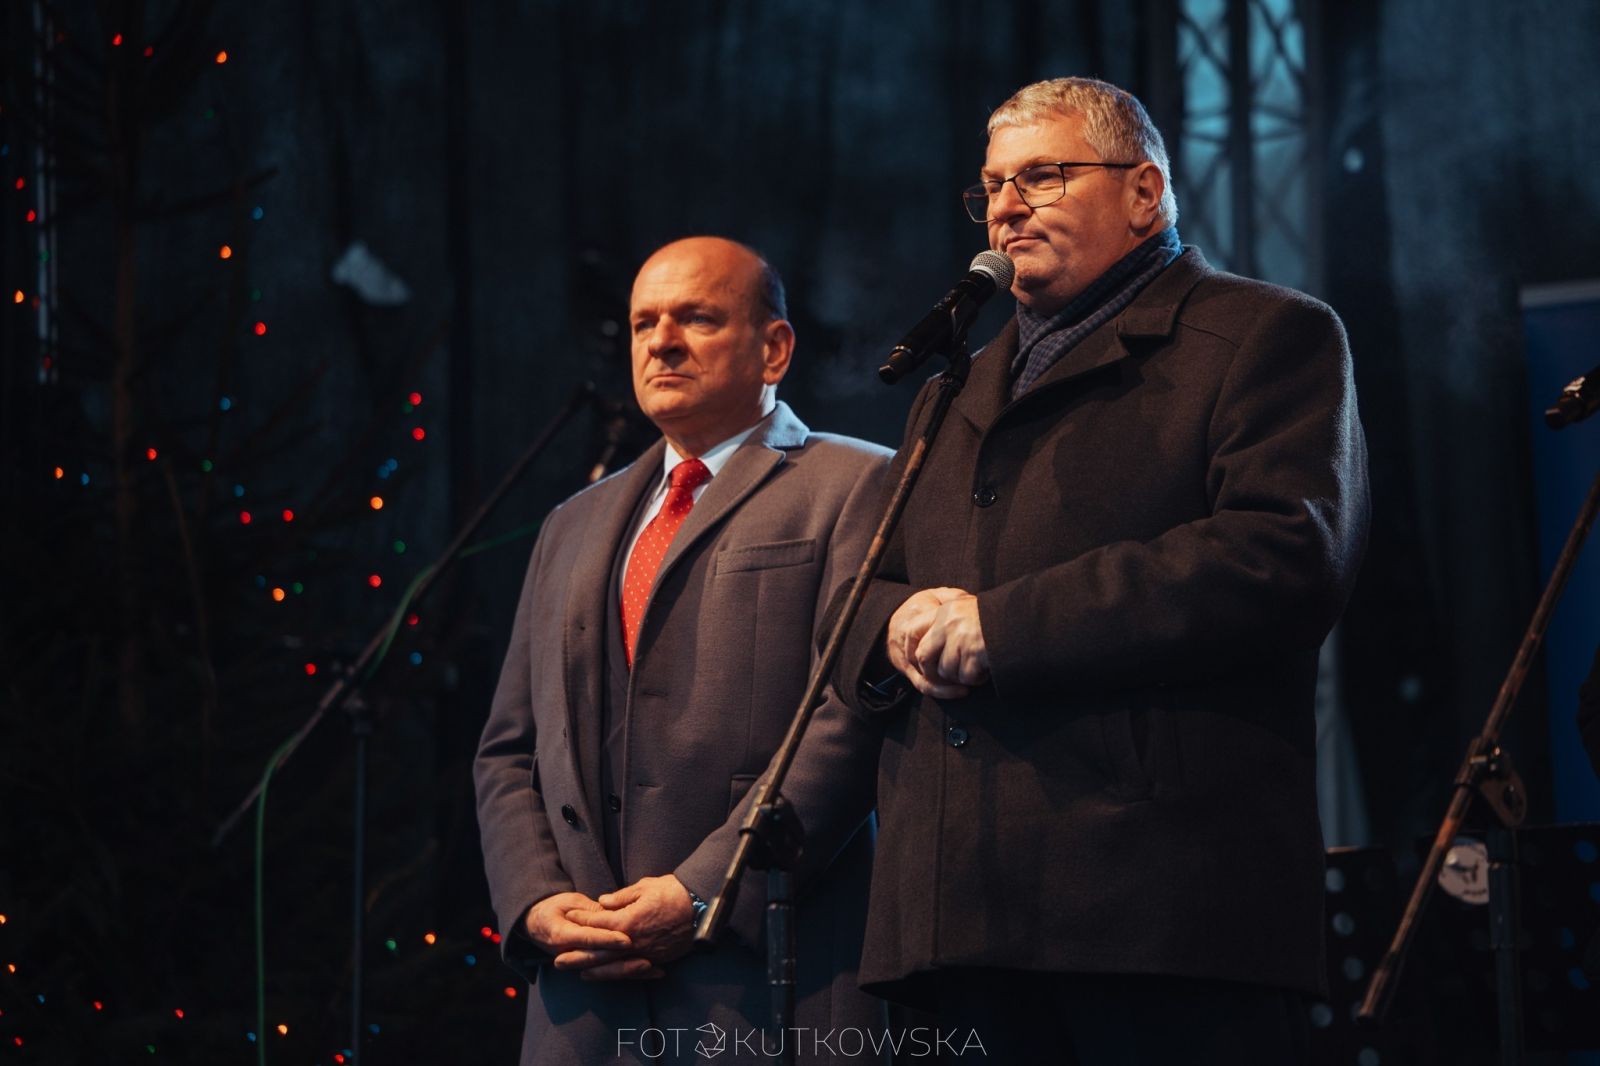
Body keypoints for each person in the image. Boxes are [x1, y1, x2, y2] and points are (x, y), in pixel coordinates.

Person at [831, 77, 1371, 1063]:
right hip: (956, 911)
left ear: (1143, 192)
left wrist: (1003, 628)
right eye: (992, 186)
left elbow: (1283, 553)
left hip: (1159, 911)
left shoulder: (1263, 335)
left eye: (1043, 175)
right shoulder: (953, 387)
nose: (1007, 206)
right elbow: (862, 589)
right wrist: (892, 627)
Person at [476, 237, 892, 1065]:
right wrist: (535, 903)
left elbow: (850, 721)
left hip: (766, 982)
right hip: (582, 997)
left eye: (696, 319)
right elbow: (510, 751)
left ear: (774, 348)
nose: (661, 342)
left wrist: (705, 890)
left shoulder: (858, 484)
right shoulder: (571, 523)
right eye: (644, 323)